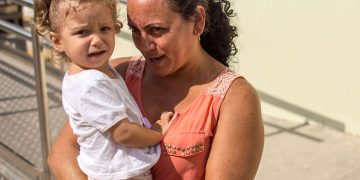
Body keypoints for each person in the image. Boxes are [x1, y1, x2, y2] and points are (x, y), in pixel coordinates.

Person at [46, 0, 264, 179]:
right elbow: (62, 153)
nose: (143, 44)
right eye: (135, 30)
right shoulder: (117, 75)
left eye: (156, 30)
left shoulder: (234, 99)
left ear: (197, 21)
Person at [34, 0, 176, 179]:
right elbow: (123, 132)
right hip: (120, 174)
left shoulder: (93, 73)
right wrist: (156, 133)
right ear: (57, 41)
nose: (97, 39)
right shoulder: (90, 84)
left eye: (104, 29)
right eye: (83, 32)